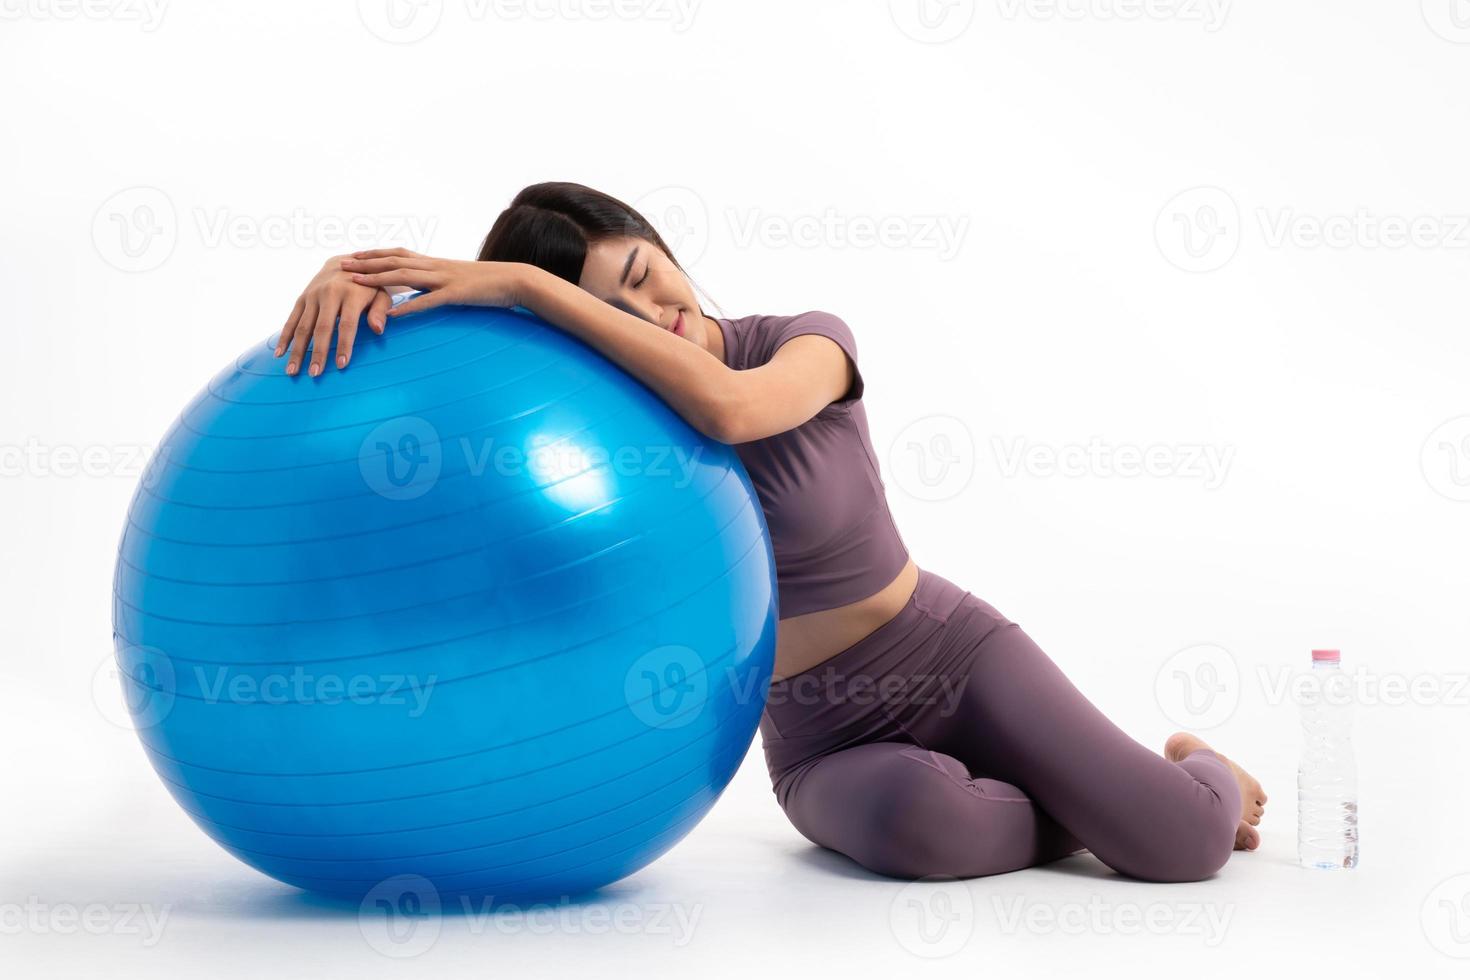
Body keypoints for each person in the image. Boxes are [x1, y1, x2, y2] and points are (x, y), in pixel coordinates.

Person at [276, 181, 1267, 882]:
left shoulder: (804, 341)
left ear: (666, 244)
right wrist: (349, 277)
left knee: (1178, 846)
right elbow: (468, 395)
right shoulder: (614, 427)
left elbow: (734, 411)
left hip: (953, 654)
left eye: (645, 271)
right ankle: (1090, 794)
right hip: (818, 732)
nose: (654, 310)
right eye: (608, 305)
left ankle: (1197, 768)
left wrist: (540, 290)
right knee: (919, 825)